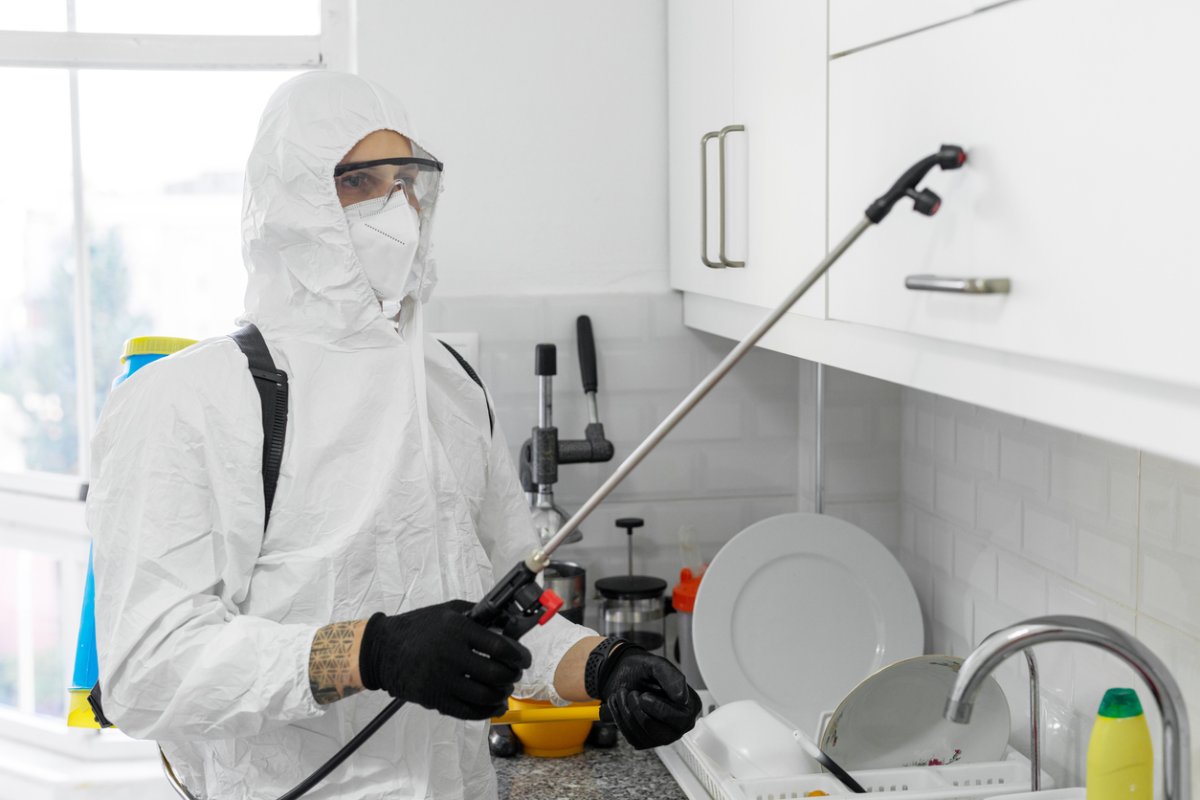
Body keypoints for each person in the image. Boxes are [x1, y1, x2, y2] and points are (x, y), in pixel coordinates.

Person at [89, 71, 700, 800]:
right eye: (360, 184)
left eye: (408, 182)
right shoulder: (193, 399)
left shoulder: (448, 386)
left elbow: (507, 611)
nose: (397, 208)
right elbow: (149, 669)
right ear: (291, 202)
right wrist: (372, 652)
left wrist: (605, 667)